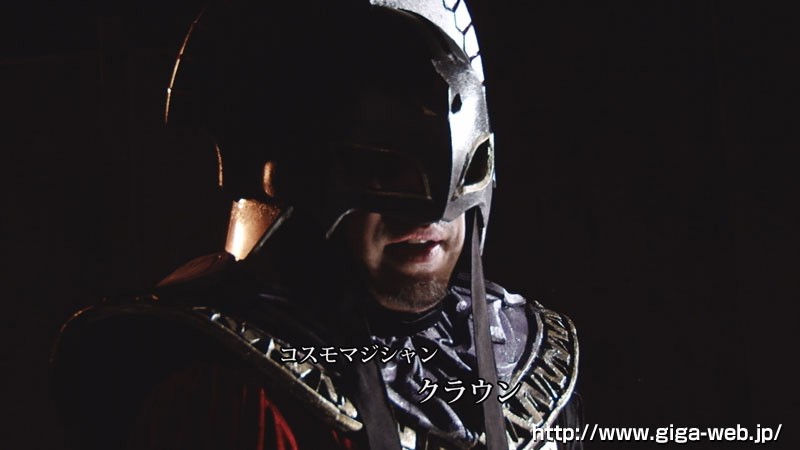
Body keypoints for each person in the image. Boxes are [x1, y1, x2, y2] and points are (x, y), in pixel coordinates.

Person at [51, 1, 581, 449]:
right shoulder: (235, 391)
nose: (429, 214)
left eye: (460, 172)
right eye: (381, 171)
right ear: (297, 178)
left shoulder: (521, 356)